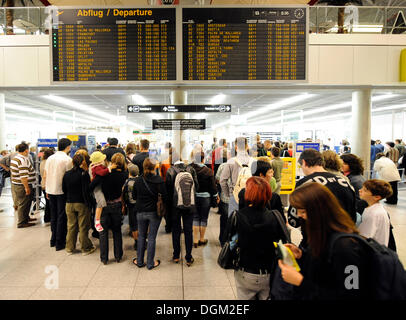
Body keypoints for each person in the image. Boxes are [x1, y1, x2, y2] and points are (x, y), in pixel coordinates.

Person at [278, 182, 370, 300]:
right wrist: (302, 255)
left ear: (320, 210)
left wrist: (300, 282)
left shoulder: (346, 247)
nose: (299, 215)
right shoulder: (321, 234)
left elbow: (351, 293)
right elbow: (323, 267)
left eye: (303, 211)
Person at [287, 149, 357, 248]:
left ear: (304, 162)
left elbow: (293, 220)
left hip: (315, 241)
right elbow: (353, 214)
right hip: (343, 240)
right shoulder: (344, 182)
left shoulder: (304, 184)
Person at [233, 176, 287, 300]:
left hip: (245, 271)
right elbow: (282, 239)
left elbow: (229, 241)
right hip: (268, 271)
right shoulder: (275, 216)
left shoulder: (238, 216)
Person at [91, 153, 128, 264]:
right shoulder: (124, 174)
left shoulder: (105, 174)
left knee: (103, 233)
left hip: (104, 206)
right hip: (117, 205)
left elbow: (91, 186)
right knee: (117, 231)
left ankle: (104, 258)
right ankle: (118, 256)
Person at [132, 158, 168, 270]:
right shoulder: (159, 180)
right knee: (152, 238)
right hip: (154, 212)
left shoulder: (138, 180)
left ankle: (139, 261)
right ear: (155, 167)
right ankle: (150, 263)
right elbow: (165, 196)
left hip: (140, 211)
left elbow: (134, 196)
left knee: (141, 236)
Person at [165, 153, 199, 267]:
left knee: (176, 230)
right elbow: (196, 187)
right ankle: (188, 258)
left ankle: (176, 256)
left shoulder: (170, 171)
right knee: (188, 230)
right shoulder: (191, 169)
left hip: (175, 206)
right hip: (189, 204)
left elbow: (168, 192)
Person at [62, 153, 96, 255]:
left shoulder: (67, 174)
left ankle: (69, 248)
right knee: (83, 226)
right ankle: (85, 248)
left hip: (69, 203)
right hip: (81, 203)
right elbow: (87, 189)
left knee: (71, 226)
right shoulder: (84, 174)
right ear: (83, 162)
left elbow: (64, 189)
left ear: (72, 162)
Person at [44, 138, 73, 250]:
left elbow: (46, 174)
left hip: (51, 190)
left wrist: (47, 189)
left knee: (54, 216)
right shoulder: (67, 159)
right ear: (68, 147)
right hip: (61, 191)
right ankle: (60, 242)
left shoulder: (50, 158)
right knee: (62, 216)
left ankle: (53, 240)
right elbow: (69, 176)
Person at [190, 149, 218, 248]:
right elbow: (213, 187)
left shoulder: (190, 169)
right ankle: (202, 239)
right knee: (204, 218)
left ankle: (195, 240)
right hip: (206, 198)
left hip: (194, 196)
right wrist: (215, 196)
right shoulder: (208, 171)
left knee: (195, 217)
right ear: (203, 159)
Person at [220, 137, 254, 216]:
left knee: (234, 221)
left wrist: (228, 194)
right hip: (251, 195)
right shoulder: (254, 161)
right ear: (247, 146)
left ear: (236, 147)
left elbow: (222, 181)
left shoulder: (231, 161)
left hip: (235, 195)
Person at [358, 179, 392, 246]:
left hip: (373, 251)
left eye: (365, 190)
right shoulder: (375, 208)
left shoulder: (373, 214)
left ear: (376, 197)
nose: (360, 190)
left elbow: (364, 236)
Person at [10, 143, 36, 228]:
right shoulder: (22, 160)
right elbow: (23, 176)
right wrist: (26, 187)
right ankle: (21, 222)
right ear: (26, 150)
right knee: (23, 204)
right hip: (22, 185)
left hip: (17, 184)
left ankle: (26, 218)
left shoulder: (15, 158)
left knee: (26, 203)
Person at [89, 151, 110, 233]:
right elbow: (102, 173)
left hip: (98, 187)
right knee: (101, 203)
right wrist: (109, 169)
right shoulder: (96, 167)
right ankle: (97, 222)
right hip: (97, 188)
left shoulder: (96, 166)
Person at [123, 163, 139, 250]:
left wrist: (124, 205)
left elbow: (124, 194)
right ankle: (142, 240)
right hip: (140, 206)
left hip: (131, 206)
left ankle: (136, 242)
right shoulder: (140, 181)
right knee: (140, 223)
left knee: (133, 225)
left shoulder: (127, 182)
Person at [216, 155, 230, 247]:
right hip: (235, 198)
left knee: (225, 219)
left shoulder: (223, 166)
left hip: (226, 197)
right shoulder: (244, 166)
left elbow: (217, 179)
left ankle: (223, 240)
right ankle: (227, 239)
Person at [39, 148, 55, 223]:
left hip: (43, 184)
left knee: (47, 202)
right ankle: (50, 218)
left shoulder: (42, 162)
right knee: (50, 203)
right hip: (48, 184)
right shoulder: (49, 163)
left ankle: (47, 217)